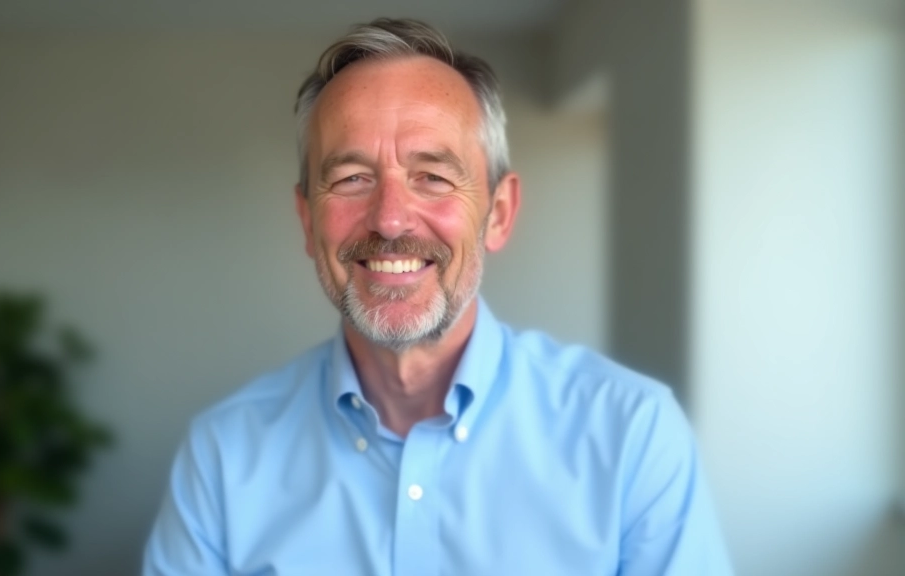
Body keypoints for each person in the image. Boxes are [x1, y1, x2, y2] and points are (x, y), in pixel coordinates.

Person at [143, 18, 733, 576]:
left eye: (433, 176)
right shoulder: (222, 456)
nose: (392, 219)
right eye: (351, 178)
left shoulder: (632, 434)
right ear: (307, 220)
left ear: (498, 214)